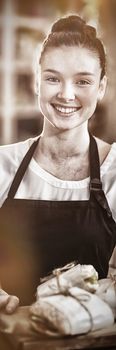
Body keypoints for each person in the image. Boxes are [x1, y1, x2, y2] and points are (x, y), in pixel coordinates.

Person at [0, 14, 116, 314]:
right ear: (37, 82)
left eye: (83, 81)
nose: (66, 94)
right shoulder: (3, 164)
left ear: (101, 87)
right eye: (53, 78)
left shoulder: (114, 170)